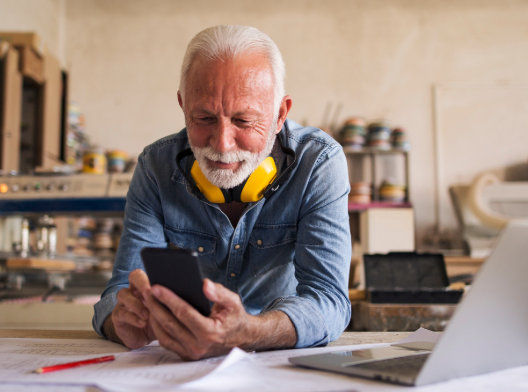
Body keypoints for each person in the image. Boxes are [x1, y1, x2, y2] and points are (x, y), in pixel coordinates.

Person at [92, 25, 351, 360]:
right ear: (183, 106)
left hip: (273, 356)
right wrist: (120, 321)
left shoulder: (319, 163)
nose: (222, 144)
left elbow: (329, 301)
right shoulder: (155, 166)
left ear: (280, 115)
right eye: (204, 117)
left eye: (243, 121)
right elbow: (119, 292)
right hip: (175, 360)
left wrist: (251, 332)